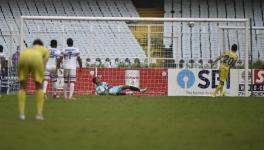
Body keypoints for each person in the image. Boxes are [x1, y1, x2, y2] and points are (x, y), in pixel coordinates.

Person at [17, 39, 49, 120]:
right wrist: (42, 74)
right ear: (41, 45)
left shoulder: (28, 49)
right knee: (38, 87)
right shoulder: (44, 49)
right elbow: (44, 62)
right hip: (36, 59)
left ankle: (21, 114)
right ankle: (39, 114)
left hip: (23, 57)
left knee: (22, 87)